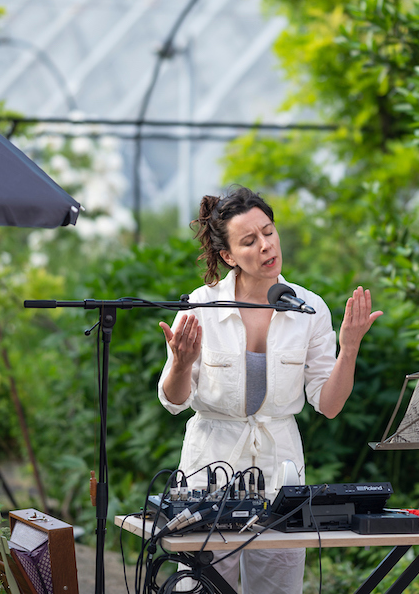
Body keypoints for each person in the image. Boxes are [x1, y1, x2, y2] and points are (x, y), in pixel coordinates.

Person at [157, 186, 383, 594]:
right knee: (200, 587)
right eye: (249, 240)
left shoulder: (309, 309)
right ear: (228, 256)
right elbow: (174, 401)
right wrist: (180, 363)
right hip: (211, 463)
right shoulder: (201, 304)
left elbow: (329, 405)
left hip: (281, 468)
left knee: (278, 588)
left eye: (269, 232)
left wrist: (348, 350)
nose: (266, 245)